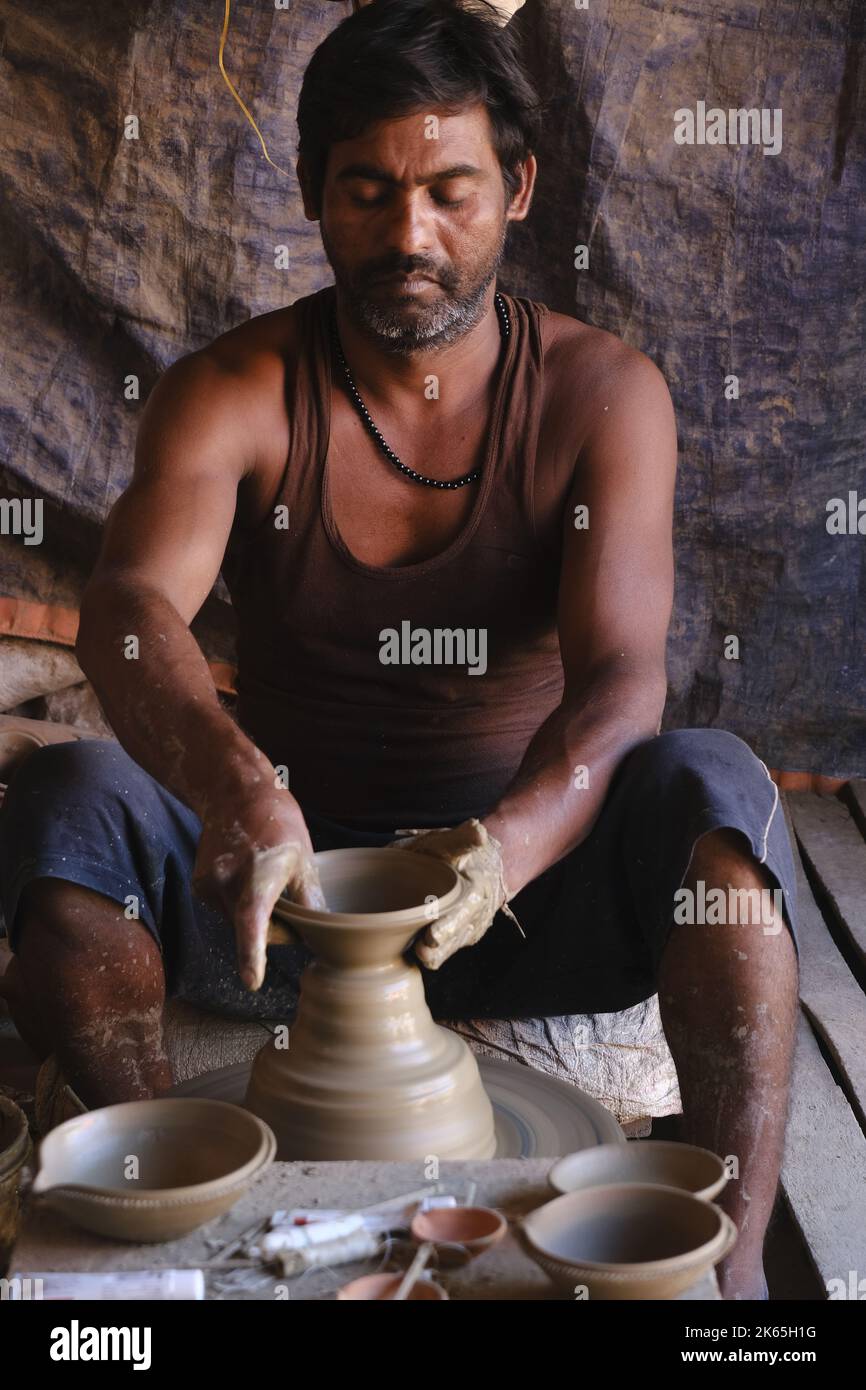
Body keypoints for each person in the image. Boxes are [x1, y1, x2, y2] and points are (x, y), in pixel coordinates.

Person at [0, 0, 797, 1299]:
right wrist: (230, 782)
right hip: (280, 890)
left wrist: (506, 844)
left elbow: (618, 684)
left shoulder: (603, 393)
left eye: (449, 191)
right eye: (367, 191)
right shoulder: (235, 391)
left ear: (518, 188)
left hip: (522, 885)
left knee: (718, 798)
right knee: (63, 802)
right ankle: (176, 1191)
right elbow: (132, 610)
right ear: (315, 187)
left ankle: (734, 1275)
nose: (409, 234)